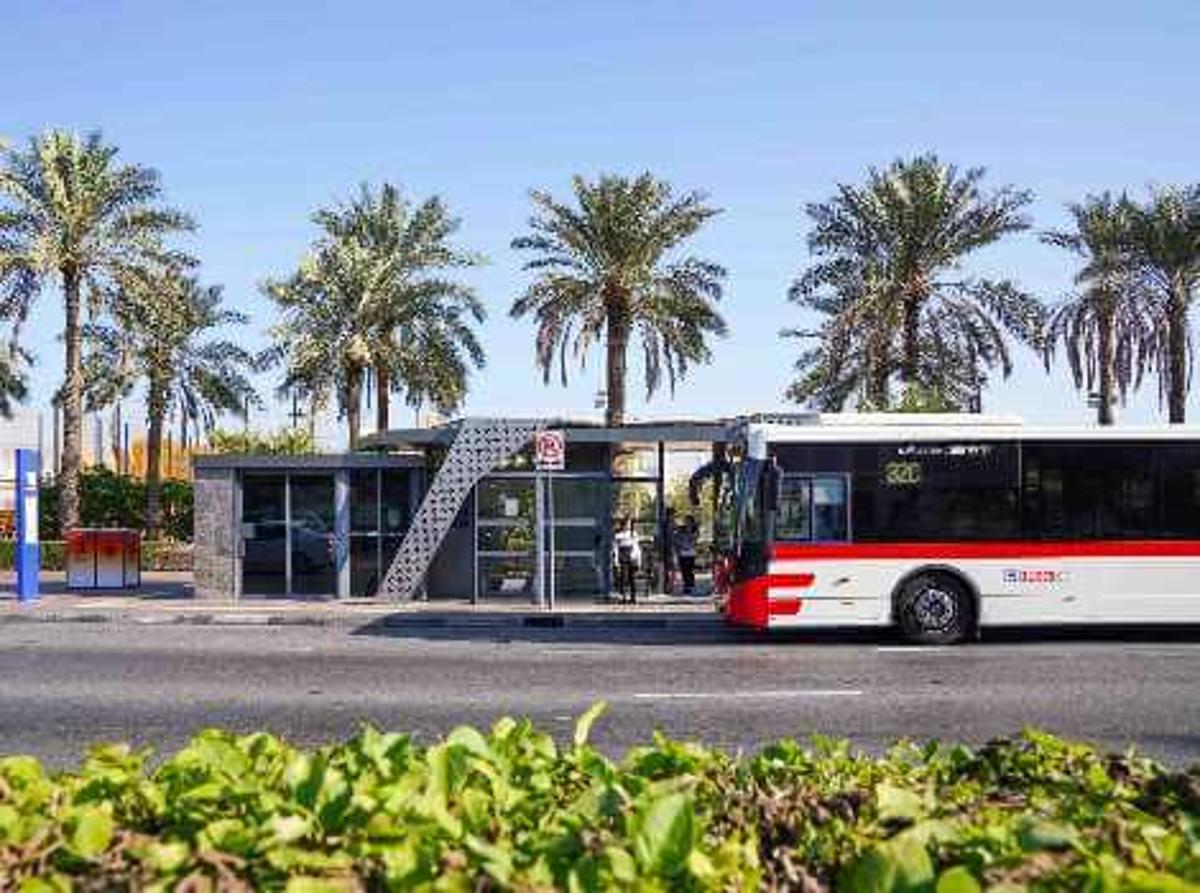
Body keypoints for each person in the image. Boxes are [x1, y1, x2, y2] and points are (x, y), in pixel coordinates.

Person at [612, 516, 642, 603]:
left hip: (631, 557)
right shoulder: (618, 535)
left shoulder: (633, 534)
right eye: (626, 524)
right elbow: (615, 548)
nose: (627, 526)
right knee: (623, 578)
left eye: (629, 524)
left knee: (632, 578)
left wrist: (638, 560)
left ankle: (633, 597)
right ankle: (624, 597)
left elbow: (637, 548)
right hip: (623, 557)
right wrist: (616, 560)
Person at [674, 514, 699, 595]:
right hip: (683, 553)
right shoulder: (681, 530)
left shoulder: (694, 530)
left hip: (691, 553)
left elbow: (694, 539)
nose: (687, 523)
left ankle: (690, 586)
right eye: (686, 521)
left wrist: (689, 534)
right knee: (684, 570)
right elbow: (677, 538)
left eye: (688, 521)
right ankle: (686, 586)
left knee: (690, 570)